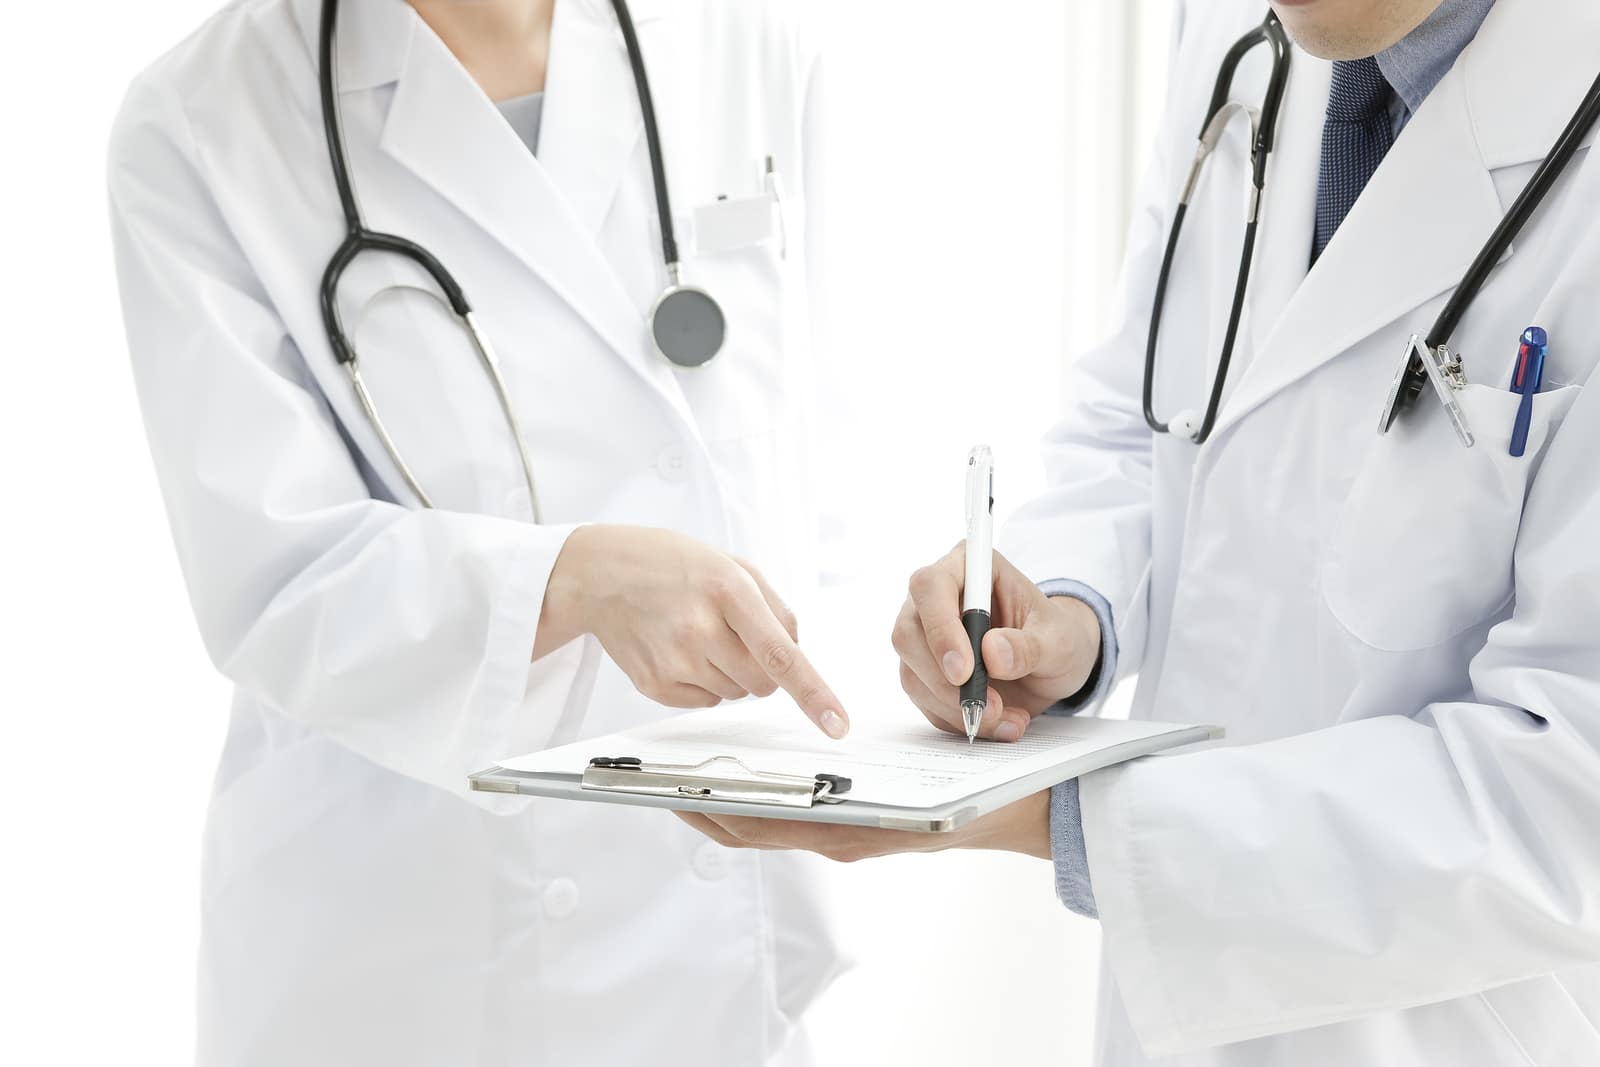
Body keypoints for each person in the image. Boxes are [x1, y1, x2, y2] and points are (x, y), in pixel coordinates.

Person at [678, 0, 1600, 1063]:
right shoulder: (1238, 35)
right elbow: (1155, 408)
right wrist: (1067, 610)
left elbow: (1566, 792)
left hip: (1460, 1025)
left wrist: (1051, 818)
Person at [108, 0, 851, 1063]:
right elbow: (272, 578)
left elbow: (823, 477)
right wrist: (569, 579)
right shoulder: (201, 122)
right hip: (409, 954)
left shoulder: (745, 41)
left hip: (719, 939)